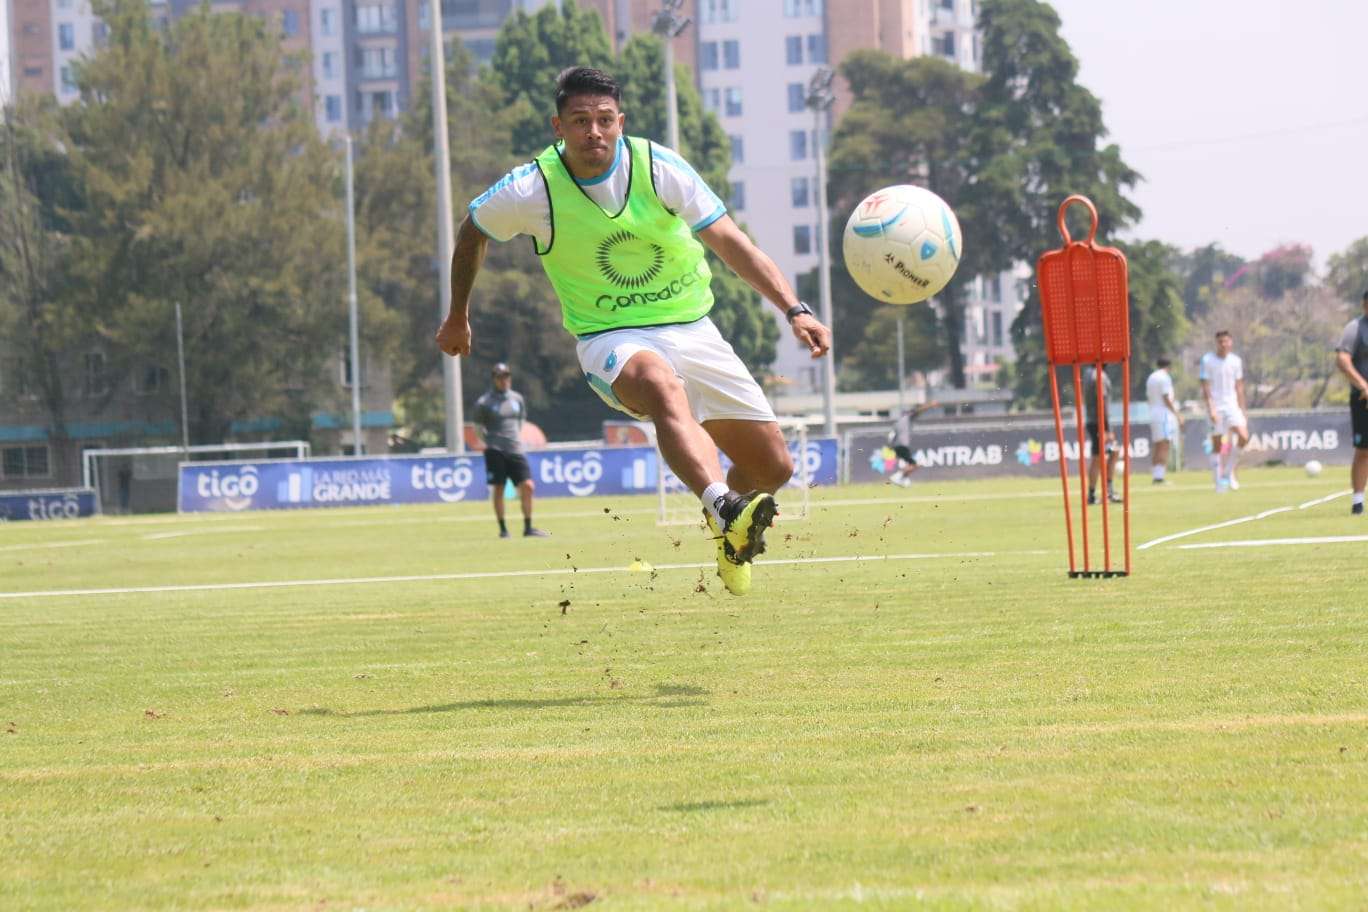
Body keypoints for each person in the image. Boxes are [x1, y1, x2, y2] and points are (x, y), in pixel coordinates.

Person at [435, 66, 832, 596]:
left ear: (620, 122)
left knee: (773, 469)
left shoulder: (658, 167)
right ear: (558, 126)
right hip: (610, 337)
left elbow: (731, 243)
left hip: (694, 328)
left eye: (604, 119)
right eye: (580, 121)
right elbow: (474, 230)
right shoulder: (533, 187)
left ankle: (731, 534)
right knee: (659, 383)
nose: (593, 131)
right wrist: (457, 313)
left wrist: (794, 309)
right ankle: (721, 505)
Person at [473, 362, 549, 539]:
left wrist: (513, 438)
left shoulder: (517, 399)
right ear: (494, 379)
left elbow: (520, 421)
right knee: (499, 488)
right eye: (500, 377)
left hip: (516, 449)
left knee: (528, 486)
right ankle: (503, 529)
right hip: (495, 450)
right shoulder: (484, 402)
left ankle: (528, 527)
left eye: (506, 376)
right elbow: (478, 428)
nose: (504, 380)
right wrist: (491, 442)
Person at [1198, 330, 1248, 492]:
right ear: (1216, 343)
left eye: (1226, 341)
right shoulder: (1208, 360)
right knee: (1218, 444)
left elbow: (1239, 386)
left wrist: (1242, 408)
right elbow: (1205, 387)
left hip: (1232, 405)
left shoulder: (1236, 361)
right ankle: (1218, 481)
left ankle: (1227, 472)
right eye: (1220, 342)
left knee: (1243, 436)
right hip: (1216, 406)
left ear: (1231, 342)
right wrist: (1211, 408)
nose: (1224, 344)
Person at [1333, 290, 1368, 515]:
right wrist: (1363, 385)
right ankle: (1358, 502)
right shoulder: (1355, 328)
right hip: (1363, 398)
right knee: (1364, 450)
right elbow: (1342, 360)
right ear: (1365, 305)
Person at [1082, 365, 1120, 504]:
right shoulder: (1100, 375)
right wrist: (1107, 429)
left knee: (1112, 452)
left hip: (1093, 420)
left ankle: (1105, 491)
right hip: (1099, 422)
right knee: (1099, 457)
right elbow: (1102, 401)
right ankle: (1095, 494)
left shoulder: (1088, 373)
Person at [1144, 357, 1182, 484]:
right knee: (1164, 445)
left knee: (1158, 445)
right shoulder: (1164, 377)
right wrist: (1177, 414)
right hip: (1164, 415)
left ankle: (1157, 475)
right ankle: (1159, 477)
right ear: (1169, 366)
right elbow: (1166, 398)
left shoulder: (1151, 377)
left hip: (1153, 413)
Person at [887, 400, 940, 487]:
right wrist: (930, 405)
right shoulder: (907, 418)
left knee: (912, 464)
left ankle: (903, 478)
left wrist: (890, 446)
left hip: (896, 446)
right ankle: (898, 476)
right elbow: (918, 411)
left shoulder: (897, 423)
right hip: (902, 446)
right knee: (914, 464)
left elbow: (891, 435)